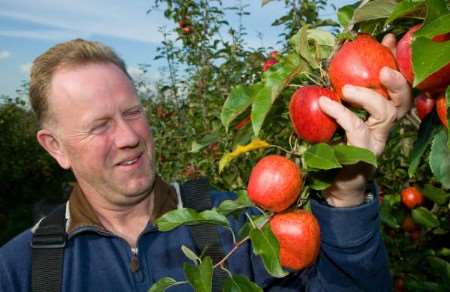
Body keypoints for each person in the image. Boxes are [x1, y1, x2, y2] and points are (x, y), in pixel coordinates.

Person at [0, 36, 411, 292]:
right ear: (55, 147)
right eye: (100, 126)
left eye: (132, 112)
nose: (128, 137)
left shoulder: (237, 225)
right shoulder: (22, 271)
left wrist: (347, 195)